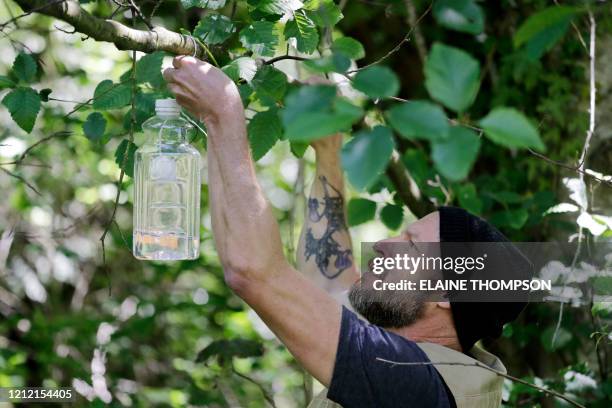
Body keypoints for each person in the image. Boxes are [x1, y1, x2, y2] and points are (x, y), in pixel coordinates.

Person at [163, 56, 529, 408]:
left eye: (412, 244)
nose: (384, 244)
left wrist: (224, 112)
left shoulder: (412, 385)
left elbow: (252, 273)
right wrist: (329, 149)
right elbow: (327, 283)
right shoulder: (424, 359)